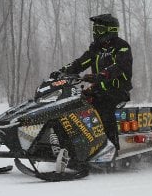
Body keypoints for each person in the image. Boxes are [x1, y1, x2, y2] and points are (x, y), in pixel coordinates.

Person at [50, 14, 133, 150]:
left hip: (116, 91)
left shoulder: (122, 46)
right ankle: (71, 146)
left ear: (110, 30)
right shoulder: (96, 48)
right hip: (98, 90)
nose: (95, 32)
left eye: (99, 29)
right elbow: (81, 62)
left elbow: (120, 66)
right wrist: (63, 71)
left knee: (103, 110)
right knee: (72, 106)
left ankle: (111, 149)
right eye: (95, 29)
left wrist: (101, 75)